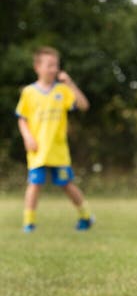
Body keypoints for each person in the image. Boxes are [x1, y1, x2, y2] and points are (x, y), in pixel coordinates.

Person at [15, 46, 94, 232]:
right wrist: (27, 137)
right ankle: (29, 223)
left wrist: (71, 84)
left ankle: (86, 217)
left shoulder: (63, 90)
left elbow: (84, 105)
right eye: (49, 65)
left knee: (67, 184)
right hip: (38, 150)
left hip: (58, 150)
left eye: (56, 65)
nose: (54, 69)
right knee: (34, 185)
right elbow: (22, 119)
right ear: (37, 67)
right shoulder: (29, 92)